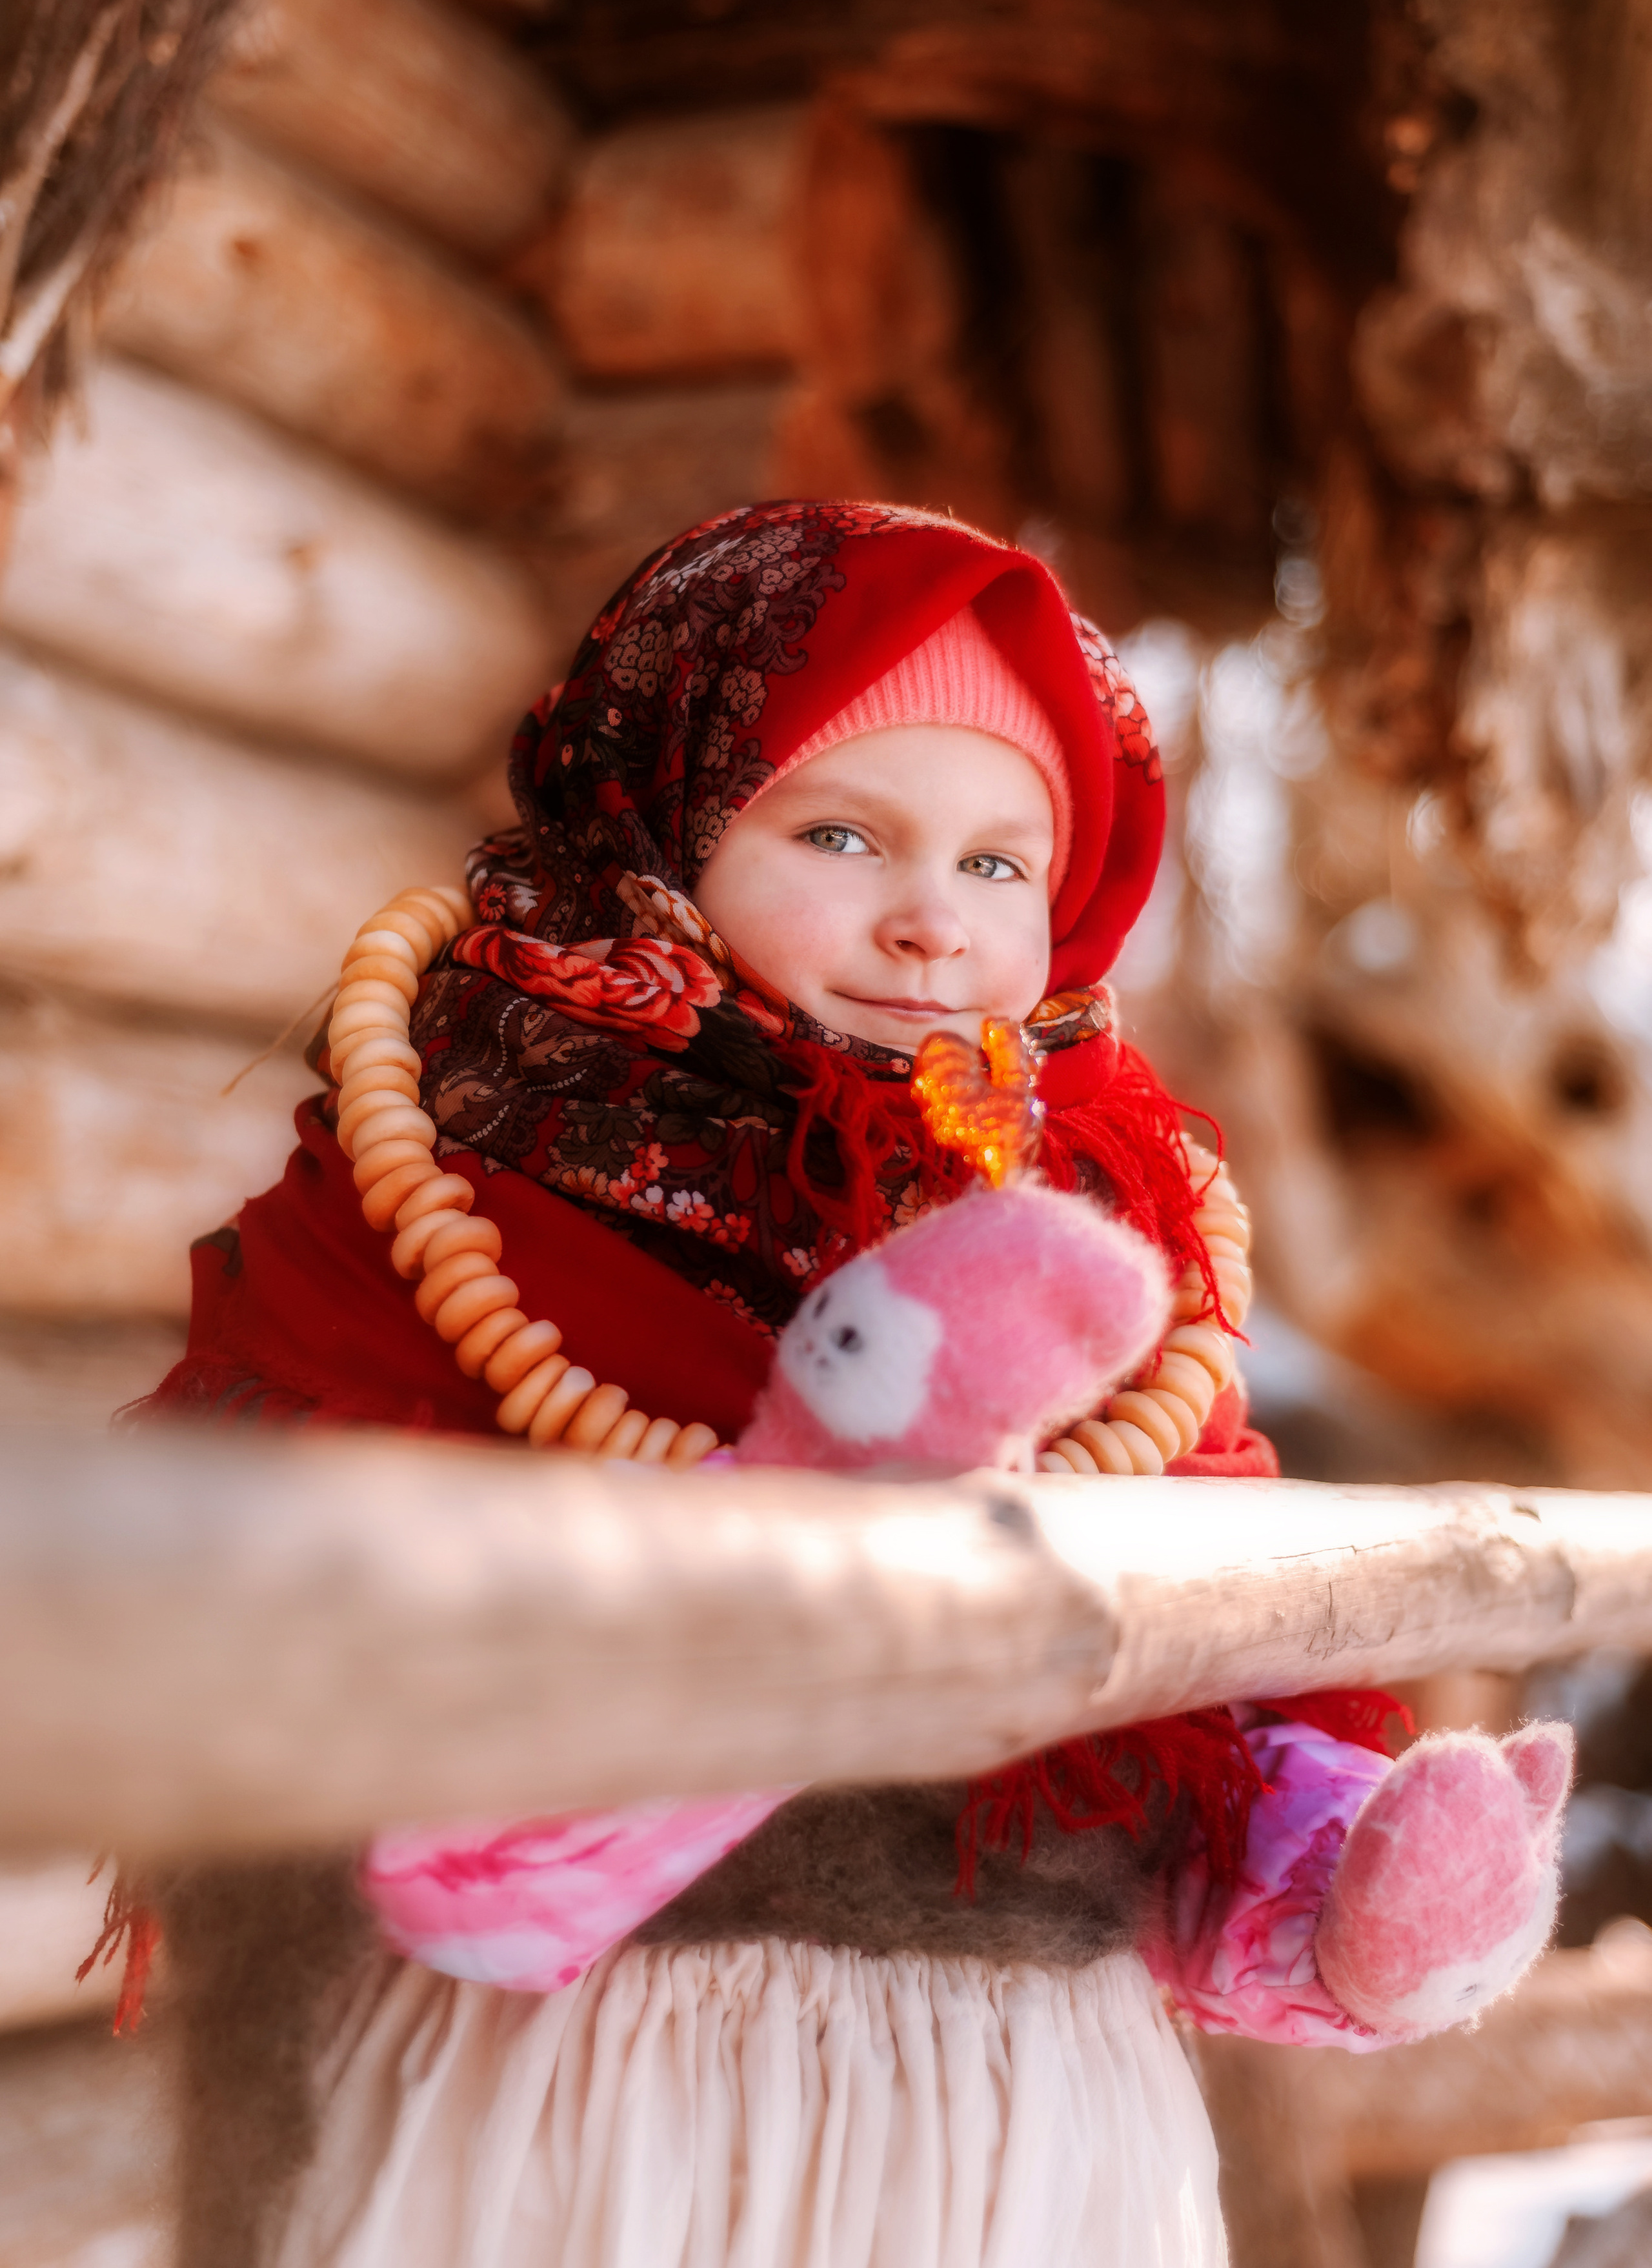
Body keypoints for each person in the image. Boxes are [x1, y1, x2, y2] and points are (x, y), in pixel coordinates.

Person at [133, 501, 1552, 2268]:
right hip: (594, 2098)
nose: (929, 926)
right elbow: (308, 1624)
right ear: (658, 819)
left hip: (1022, 2119)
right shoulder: (456, 1171)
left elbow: (1205, 1627)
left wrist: (1319, 1869)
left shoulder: (1108, 1214)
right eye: (840, 832)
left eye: (996, 865)